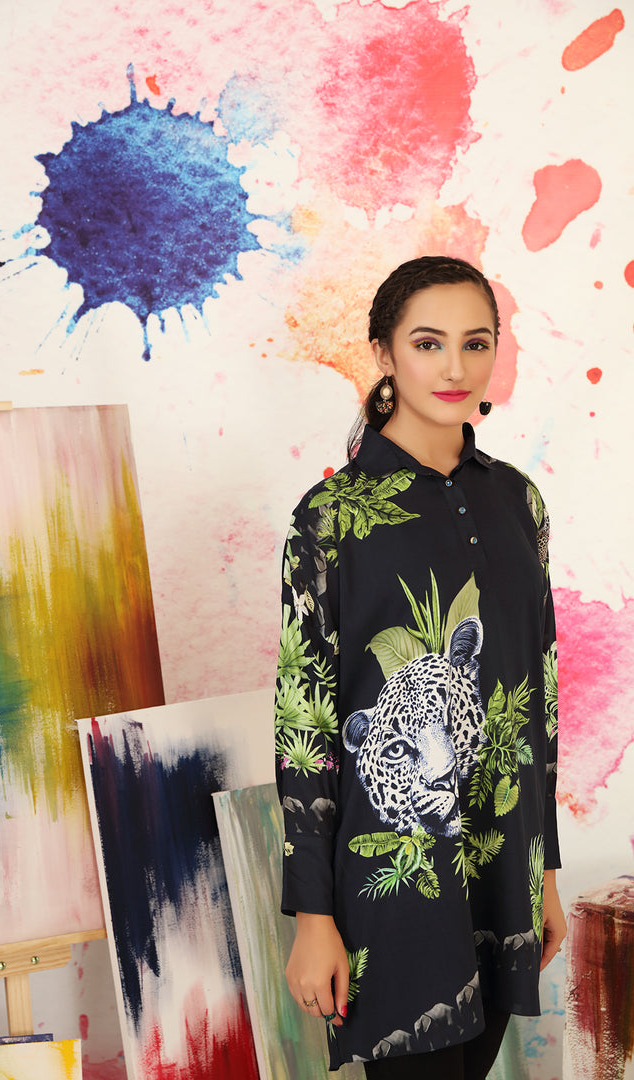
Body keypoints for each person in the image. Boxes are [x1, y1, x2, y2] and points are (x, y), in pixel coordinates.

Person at [274, 255, 566, 1079]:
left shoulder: (519, 501)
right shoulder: (330, 517)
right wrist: (312, 918)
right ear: (384, 353)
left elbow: (538, 698)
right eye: (428, 343)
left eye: (476, 343)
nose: (454, 367)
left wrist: (543, 870)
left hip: (504, 865)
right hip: (392, 884)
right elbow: (304, 728)